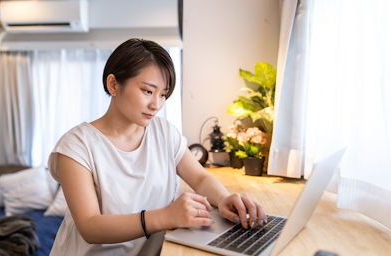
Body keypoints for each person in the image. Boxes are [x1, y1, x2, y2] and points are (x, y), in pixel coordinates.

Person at [48, 38, 267, 256]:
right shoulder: (76, 145)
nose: (156, 104)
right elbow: (89, 227)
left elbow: (200, 178)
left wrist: (223, 198)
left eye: (163, 94)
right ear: (113, 84)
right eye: (147, 91)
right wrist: (165, 216)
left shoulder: (163, 132)